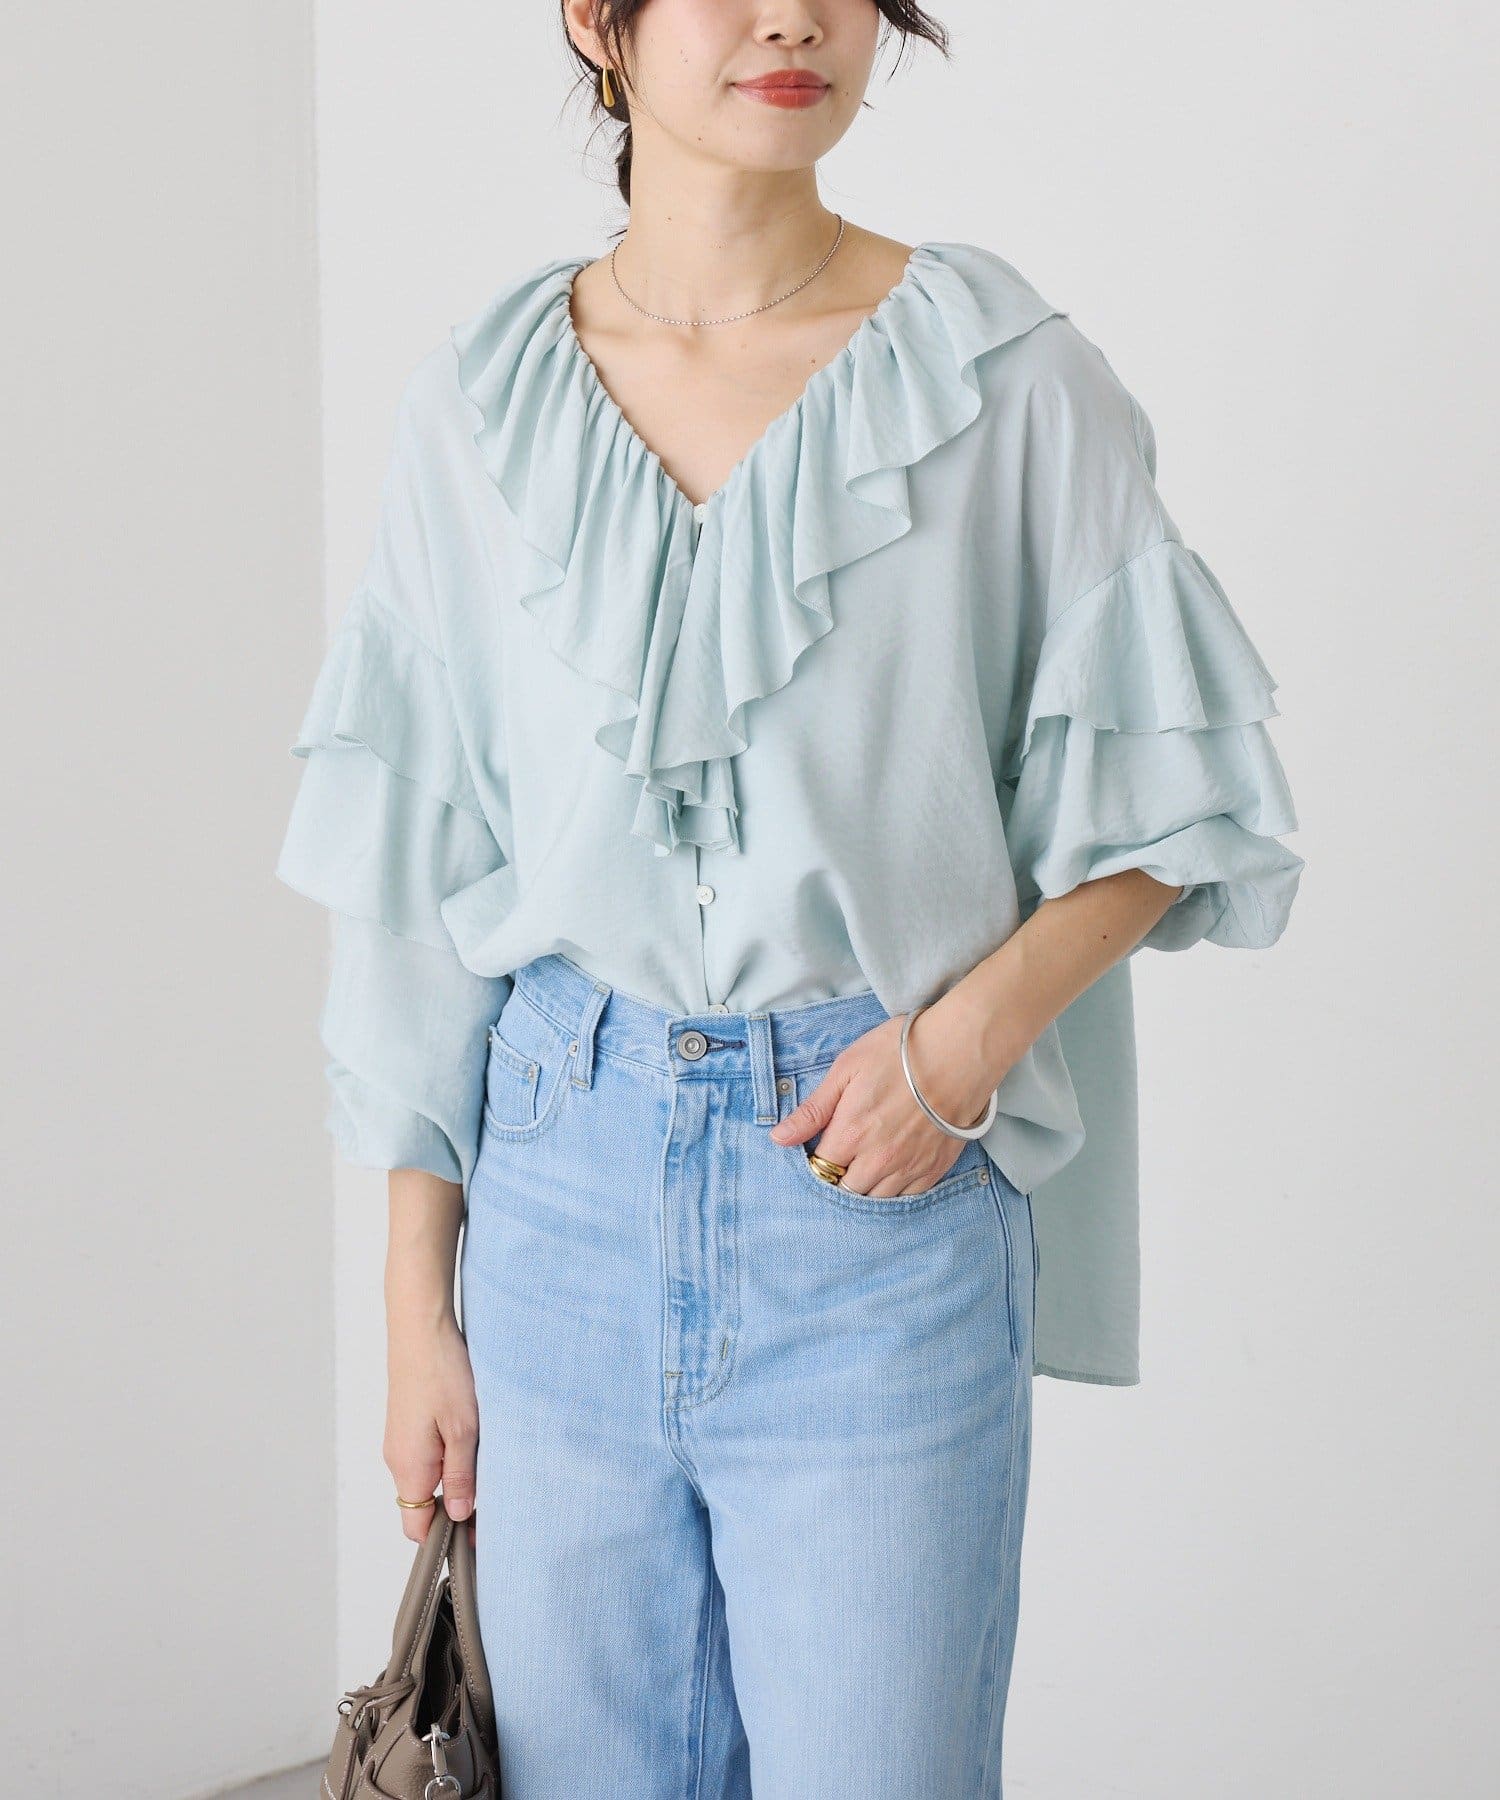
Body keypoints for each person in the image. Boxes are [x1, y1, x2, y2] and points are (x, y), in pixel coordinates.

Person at [275, 3, 1304, 1795]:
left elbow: (1182, 796)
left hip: (871, 1204)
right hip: (555, 1208)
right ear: (597, 21)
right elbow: (419, 893)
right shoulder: (479, 407)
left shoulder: (1001, 379)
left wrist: (959, 1049)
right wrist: (413, 1307)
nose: (793, 19)